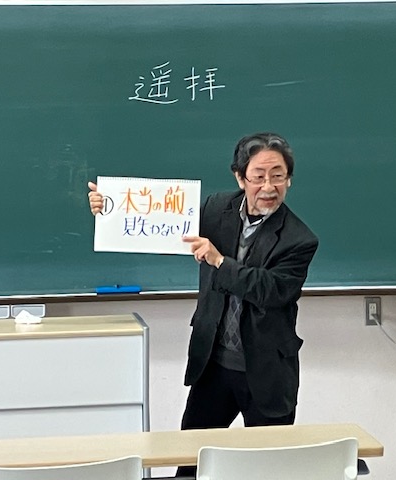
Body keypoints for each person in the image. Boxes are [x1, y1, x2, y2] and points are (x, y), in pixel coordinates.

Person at [88, 132, 319, 477]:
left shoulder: (299, 239)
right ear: (240, 177)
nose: (268, 186)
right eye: (258, 176)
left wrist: (219, 262)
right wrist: (110, 208)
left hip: (267, 371)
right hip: (214, 364)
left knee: (269, 469)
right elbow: (164, 222)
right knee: (190, 465)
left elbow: (271, 291)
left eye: (278, 176)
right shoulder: (215, 208)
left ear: (289, 179)